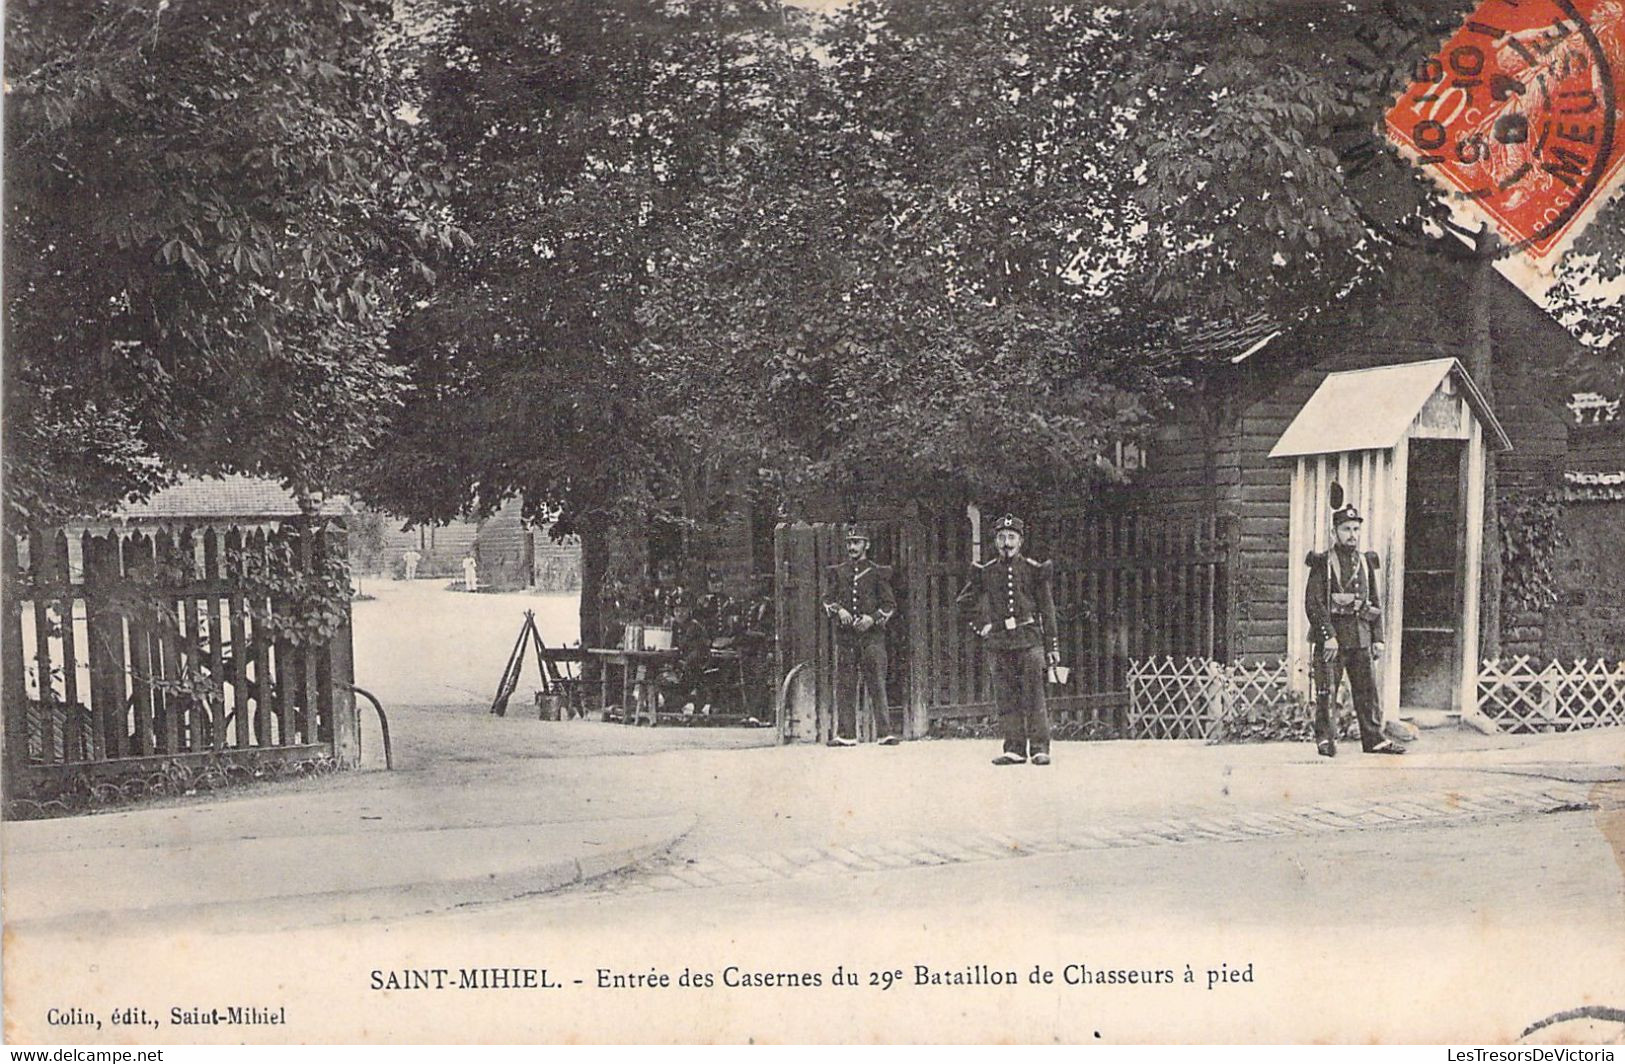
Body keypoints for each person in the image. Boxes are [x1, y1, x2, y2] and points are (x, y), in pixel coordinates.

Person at [957, 514, 1060, 766]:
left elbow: (1047, 610)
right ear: (995, 542)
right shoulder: (987, 572)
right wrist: (981, 626)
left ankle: (1039, 748)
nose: (1007, 542)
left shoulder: (1034, 570)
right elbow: (964, 603)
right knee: (1006, 695)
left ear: (1020, 541)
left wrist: (1052, 646)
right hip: (1000, 643)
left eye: (1011, 537)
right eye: (1002, 537)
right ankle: (1014, 748)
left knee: (1034, 694)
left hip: (1029, 641)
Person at [1305, 504, 1404, 757]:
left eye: (1356, 529)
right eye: (1346, 529)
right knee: (1327, 692)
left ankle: (1374, 740)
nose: (1352, 534)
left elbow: (1374, 602)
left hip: (1360, 636)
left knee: (1368, 691)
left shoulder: (1365, 561)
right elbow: (1314, 603)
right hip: (1333, 641)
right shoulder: (1323, 563)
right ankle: (1325, 741)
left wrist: (1378, 638)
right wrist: (1328, 636)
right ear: (1334, 532)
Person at [821, 524, 898, 746]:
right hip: (846, 638)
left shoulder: (876, 572)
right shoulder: (838, 572)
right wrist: (840, 610)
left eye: (856, 542)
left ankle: (885, 733)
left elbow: (889, 604)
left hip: (872, 638)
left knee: (877, 683)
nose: (852, 547)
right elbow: (826, 600)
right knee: (845, 684)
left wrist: (872, 618)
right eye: (849, 543)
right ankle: (846, 734)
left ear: (867, 545)